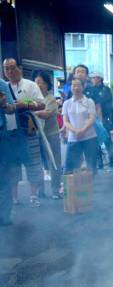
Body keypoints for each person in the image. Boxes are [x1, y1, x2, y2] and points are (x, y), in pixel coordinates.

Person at [3, 58, 46, 207]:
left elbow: (42, 104)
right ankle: (14, 197)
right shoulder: (3, 87)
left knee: (33, 162)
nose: (10, 71)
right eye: (6, 69)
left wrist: (25, 104)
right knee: (12, 164)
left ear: (19, 68)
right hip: (9, 133)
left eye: (12, 68)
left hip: (29, 130)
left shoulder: (30, 85)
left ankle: (33, 195)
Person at [33, 72, 62, 199]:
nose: (39, 85)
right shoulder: (33, 98)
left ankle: (55, 190)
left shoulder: (51, 99)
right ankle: (40, 190)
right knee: (38, 163)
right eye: (36, 82)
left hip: (51, 135)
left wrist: (32, 112)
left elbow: (47, 114)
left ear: (47, 84)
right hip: (37, 134)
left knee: (54, 162)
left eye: (41, 82)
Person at [62, 78, 98, 174]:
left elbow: (92, 118)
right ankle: (71, 188)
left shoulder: (89, 101)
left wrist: (82, 130)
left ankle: (90, 187)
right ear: (70, 87)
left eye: (78, 85)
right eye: (74, 85)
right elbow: (65, 121)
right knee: (70, 167)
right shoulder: (67, 103)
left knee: (91, 166)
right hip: (73, 138)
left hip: (89, 137)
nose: (76, 88)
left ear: (83, 87)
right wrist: (75, 131)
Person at [87, 72, 113, 172]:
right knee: (96, 142)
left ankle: (111, 164)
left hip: (105, 119)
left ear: (99, 78)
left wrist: (102, 120)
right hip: (93, 119)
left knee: (107, 141)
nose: (93, 79)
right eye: (92, 78)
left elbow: (100, 105)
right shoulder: (89, 89)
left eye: (94, 78)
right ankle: (100, 165)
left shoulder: (106, 89)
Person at [0, 77, 19, 225]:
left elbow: (12, 109)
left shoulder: (2, 84)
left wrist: (4, 104)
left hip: (1, 135)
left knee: (3, 177)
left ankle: (4, 217)